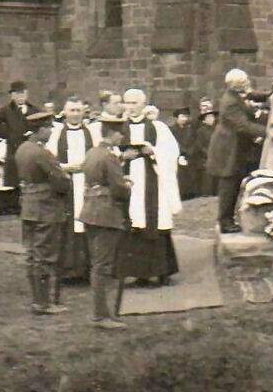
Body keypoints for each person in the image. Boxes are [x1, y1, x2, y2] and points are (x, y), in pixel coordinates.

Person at [119, 89, 183, 285]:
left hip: (154, 180)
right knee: (135, 223)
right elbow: (109, 151)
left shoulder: (158, 127)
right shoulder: (119, 128)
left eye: (134, 103)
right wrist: (123, 157)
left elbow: (172, 153)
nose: (130, 107)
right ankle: (141, 274)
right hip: (130, 181)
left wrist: (152, 151)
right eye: (127, 103)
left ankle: (163, 272)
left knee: (157, 221)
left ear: (143, 104)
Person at [79, 114, 134, 329]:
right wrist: (127, 185)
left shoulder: (92, 152)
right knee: (102, 265)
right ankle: (100, 316)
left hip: (90, 211)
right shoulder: (109, 156)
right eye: (121, 133)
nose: (122, 137)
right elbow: (119, 189)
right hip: (105, 213)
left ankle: (101, 313)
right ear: (112, 133)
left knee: (98, 263)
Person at [16, 111, 72, 314]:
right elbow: (61, 181)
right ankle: (43, 302)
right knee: (45, 255)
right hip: (46, 208)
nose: (50, 132)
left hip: (29, 206)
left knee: (33, 254)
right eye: (48, 128)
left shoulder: (23, 148)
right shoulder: (42, 153)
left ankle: (38, 299)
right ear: (39, 130)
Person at [46, 98, 101, 282]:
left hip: (86, 183)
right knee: (67, 225)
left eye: (78, 110)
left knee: (86, 224)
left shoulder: (93, 133)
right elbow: (49, 159)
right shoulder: (56, 134)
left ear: (83, 112)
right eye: (72, 110)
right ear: (65, 112)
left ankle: (86, 270)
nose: (76, 114)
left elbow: (99, 155)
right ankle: (67, 271)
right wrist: (65, 168)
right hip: (66, 183)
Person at [207, 69, 266, 233]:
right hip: (228, 151)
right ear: (236, 84)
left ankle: (228, 219)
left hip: (234, 149)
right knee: (229, 186)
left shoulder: (235, 95)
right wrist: (268, 132)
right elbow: (242, 125)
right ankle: (225, 222)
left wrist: (268, 95)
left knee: (232, 185)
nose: (248, 83)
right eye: (245, 81)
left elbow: (251, 94)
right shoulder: (230, 102)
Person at [0, 81, 39, 214]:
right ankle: (13, 206)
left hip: (31, 148)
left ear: (27, 94)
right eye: (17, 94)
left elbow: (41, 124)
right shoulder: (6, 110)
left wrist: (34, 133)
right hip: (14, 148)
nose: (20, 96)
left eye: (23, 93)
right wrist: (8, 135)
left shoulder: (34, 109)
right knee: (14, 177)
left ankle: (31, 203)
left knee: (32, 174)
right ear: (12, 95)